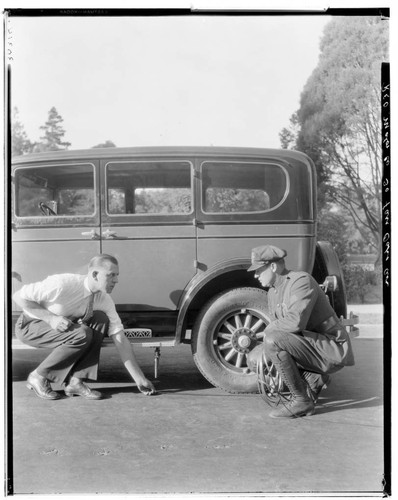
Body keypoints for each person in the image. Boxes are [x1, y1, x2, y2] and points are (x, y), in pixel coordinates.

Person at [13, 254, 156, 401]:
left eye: (117, 275)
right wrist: (51, 318)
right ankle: (38, 376)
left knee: (100, 319)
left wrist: (140, 379)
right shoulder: (62, 284)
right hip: (30, 325)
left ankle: (76, 381)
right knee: (82, 333)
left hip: (59, 327)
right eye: (111, 275)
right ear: (95, 274)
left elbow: (120, 338)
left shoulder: (103, 299)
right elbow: (18, 297)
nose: (116, 280)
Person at [246, 245, 355, 419]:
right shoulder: (273, 293)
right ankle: (313, 378)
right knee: (255, 358)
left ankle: (301, 400)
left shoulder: (300, 281)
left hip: (332, 346)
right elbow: (283, 330)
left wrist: (267, 332)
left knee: (272, 341)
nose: (255, 275)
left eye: (259, 270)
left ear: (273, 267)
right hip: (311, 344)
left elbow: (295, 322)